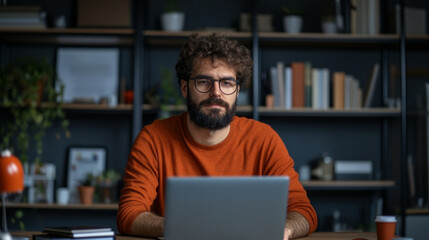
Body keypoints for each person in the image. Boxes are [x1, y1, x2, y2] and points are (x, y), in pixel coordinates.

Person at [117, 33, 318, 239]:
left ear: (237, 91)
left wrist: (283, 231)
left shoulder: (264, 139)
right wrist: (181, 227)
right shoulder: (153, 139)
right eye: (204, 82)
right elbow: (129, 213)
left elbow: (303, 211)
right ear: (185, 88)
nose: (216, 93)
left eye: (227, 83)